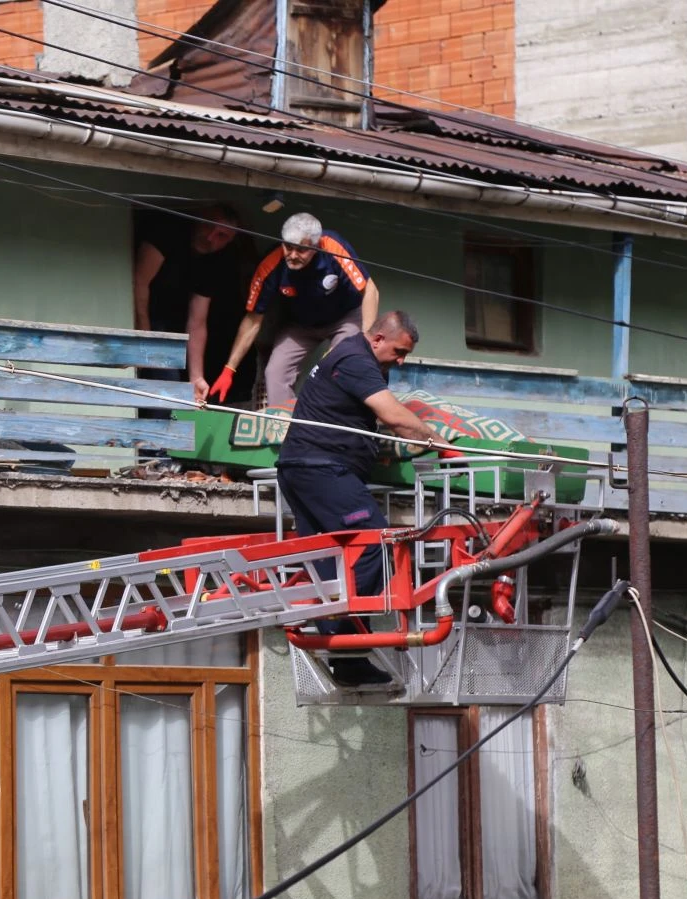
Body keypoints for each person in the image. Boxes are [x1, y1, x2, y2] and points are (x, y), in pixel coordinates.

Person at [275, 310, 454, 688]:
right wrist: (440, 444)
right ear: (378, 339)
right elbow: (394, 416)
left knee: (333, 559)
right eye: (399, 351)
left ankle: (347, 657)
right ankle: (342, 634)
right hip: (322, 469)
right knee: (375, 544)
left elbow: (356, 416)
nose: (401, 361)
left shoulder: (355, 357)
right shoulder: (357, 359)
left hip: (303, 469)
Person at [209, 212, 380, 407]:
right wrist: (229, 369)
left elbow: (370, 291)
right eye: (288, 247)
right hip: (301, 324)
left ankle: (327, 424)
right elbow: (253, 320)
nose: (292, 255)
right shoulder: (272, 263)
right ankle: (285, 429)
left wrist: (364, 341)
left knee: (337, 364)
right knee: (274, 373)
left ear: (316, 246)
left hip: (345, 318)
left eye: (301, 250)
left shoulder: (333, 247)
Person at [132, 204, 255, 408]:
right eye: (209, 227)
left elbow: (197, 320)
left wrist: (196, 377)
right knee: (165, 379)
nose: (211, 238)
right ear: (199, 220)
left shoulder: (215, 261)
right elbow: (139, 281)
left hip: (176, 320)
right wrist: (145, 332)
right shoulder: (168, 232)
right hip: (148, 313)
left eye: (222, 236)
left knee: (181, 383)